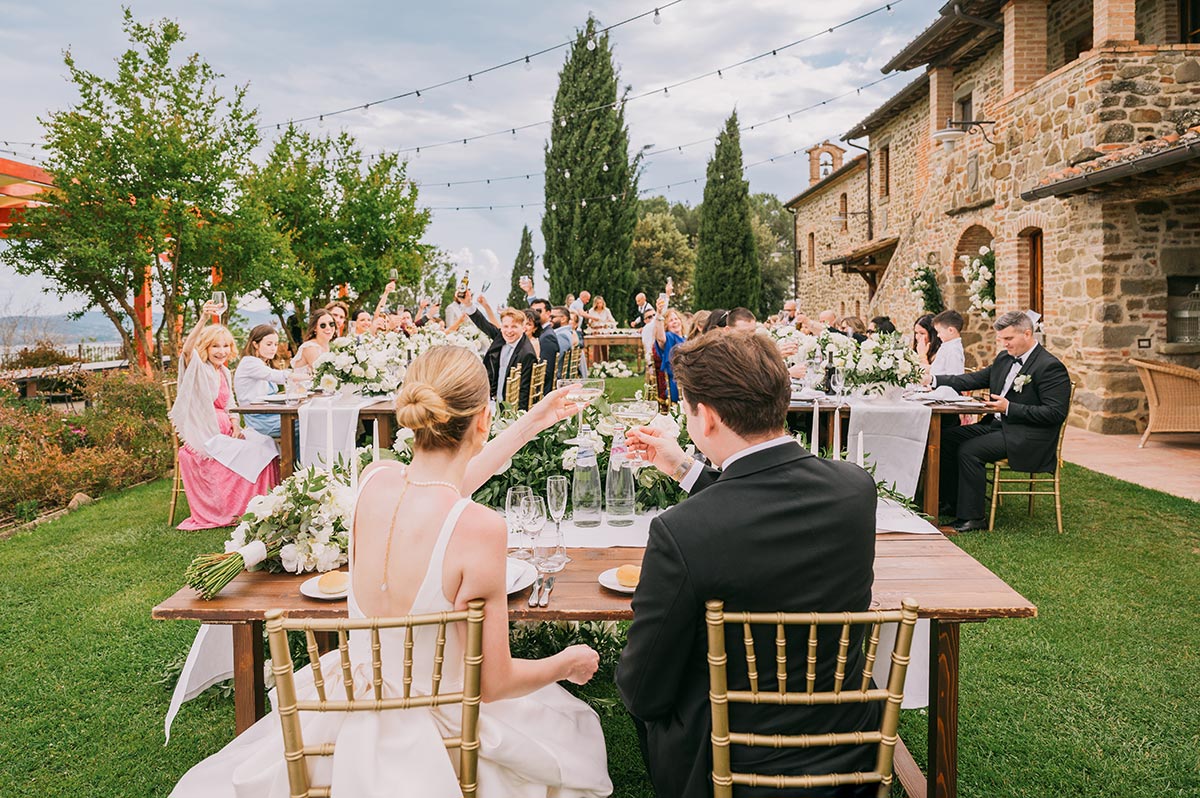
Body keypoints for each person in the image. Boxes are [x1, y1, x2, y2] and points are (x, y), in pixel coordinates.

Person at [170, 347, 612, 798]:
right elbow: (494, 684)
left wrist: (532, 422)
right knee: (575, 730)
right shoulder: (481, 528)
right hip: (441, 720)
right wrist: (566, 663)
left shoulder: (374, 480)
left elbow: (443, 486)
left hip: (350, 704)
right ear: (483, 419)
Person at [618, 331, 879, 798]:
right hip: (848, 740)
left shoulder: (681, 532)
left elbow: (643, 691)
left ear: (709, 417)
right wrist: (684, 468)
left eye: (687, 408)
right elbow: (761, 505)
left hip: (730, 759)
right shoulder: (854, 490)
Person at [928, 310, 1071, 532]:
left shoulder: (1049, 366)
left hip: (1027, 435)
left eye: (1008, 339)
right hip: (995, 426)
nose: (1004, 344)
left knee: (969, 450)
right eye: (1001, 339)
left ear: (1027, 333)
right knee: (946, 439)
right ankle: (951, 502)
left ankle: (973, 519)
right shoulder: (1005, 358)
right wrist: (935, 379)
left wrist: (1010, 408)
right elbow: (976, 379)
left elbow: (1054, 413)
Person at [168, 303, 279, 530]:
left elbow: (230, 404)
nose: (221, 351)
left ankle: (265, 503)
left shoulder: (225, 372)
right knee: (255, 450)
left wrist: (236, 425)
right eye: (215, 347)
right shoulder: (199, 368)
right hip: (206, 436)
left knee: (267, 443)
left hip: (227, 431)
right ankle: (239, 509)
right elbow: (187, 351)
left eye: (226, 346)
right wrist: (203, 319)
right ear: (206, 349)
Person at [464, 291, 537, 407]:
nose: (509, 331)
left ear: (523, 328)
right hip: (493, 399)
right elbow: (483, 324)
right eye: (506, 326)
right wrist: (468, 305)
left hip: (508, 408)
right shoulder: (502, 337)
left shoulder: (527, 354)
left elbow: (524, 392)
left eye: (514, 327)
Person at [233, 325, 289, 439]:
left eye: (275, 344)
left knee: (305, 421)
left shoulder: (263, 363)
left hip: (272, 415)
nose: (273, 348)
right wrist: (302, 375)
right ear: (255, 344)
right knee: (304, 424)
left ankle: (298, 456)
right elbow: (276, 376)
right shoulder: (249, 363)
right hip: (259, 421)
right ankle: (295, 456)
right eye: (269, 344)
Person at [653, 302, 686, 404]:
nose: (675, 322)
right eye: (671, 321)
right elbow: (660, 339)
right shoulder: (669, 337)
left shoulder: (687, 339)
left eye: (676, 319)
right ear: (666, 326)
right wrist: (659, 314)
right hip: (678, 384)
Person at [291, 310, 336, 381]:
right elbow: (321, 374)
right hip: (302, 389)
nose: (328, 328)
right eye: (323, 325)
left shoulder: (332, 346)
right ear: (315, 328)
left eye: (331, 324)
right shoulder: (310, 347)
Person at [531, 298, 561, 393]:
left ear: (548, 313)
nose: (535, 314)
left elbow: (546, 371)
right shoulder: (544, 332)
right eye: (533, 311)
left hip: (542, 391)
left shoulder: (547, 337)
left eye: (538, 311)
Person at [931, 309, 966, 376]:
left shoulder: (953, 350)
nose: (938, 335)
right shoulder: (947, 346)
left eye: (939, 332)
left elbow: (954, 378)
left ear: (950, 330)